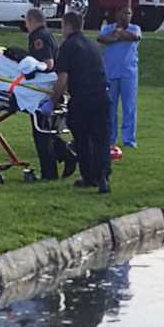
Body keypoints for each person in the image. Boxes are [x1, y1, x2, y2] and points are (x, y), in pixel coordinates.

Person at [52, 11, 111, 194]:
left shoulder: (68, 46)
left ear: (68, 26)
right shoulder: (92, 45)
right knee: (101, 139)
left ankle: (88, 177)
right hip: (102, 97)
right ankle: (103, 177)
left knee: (83, 140)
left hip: (83, 99)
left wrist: (53, 101)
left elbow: (62, 79)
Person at [24, 7, 76, 180]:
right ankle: (68, 156)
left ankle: (49, 173)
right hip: (52, 89)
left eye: (27, 22)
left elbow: (48, 62)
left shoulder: (38, 37)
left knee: (41, 133)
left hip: (42, 91)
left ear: (31, 21)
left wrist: (31, 69)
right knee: (49, 131)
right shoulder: (48, 33)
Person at [98, 7, 142, 149]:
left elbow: (134, 37)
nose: (127, 16)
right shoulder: (107, 28)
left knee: (129, 107)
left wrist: (118, 34)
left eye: (129, 13)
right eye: (124, 12)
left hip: (128, 73)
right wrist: (116, 34)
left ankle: (129, 139)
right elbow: (102, 39)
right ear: (117, 14)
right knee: (110, 107)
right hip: (111, 73)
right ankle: (110, 139)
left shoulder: (135, 28)